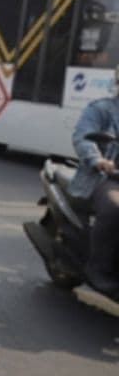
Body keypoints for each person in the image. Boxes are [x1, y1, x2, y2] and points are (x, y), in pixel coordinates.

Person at [69, 64, 119, 297]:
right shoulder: (101, 109)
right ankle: (97, 269)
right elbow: (82, 137)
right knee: (114, 208)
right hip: (105, 177)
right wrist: (98, 160)